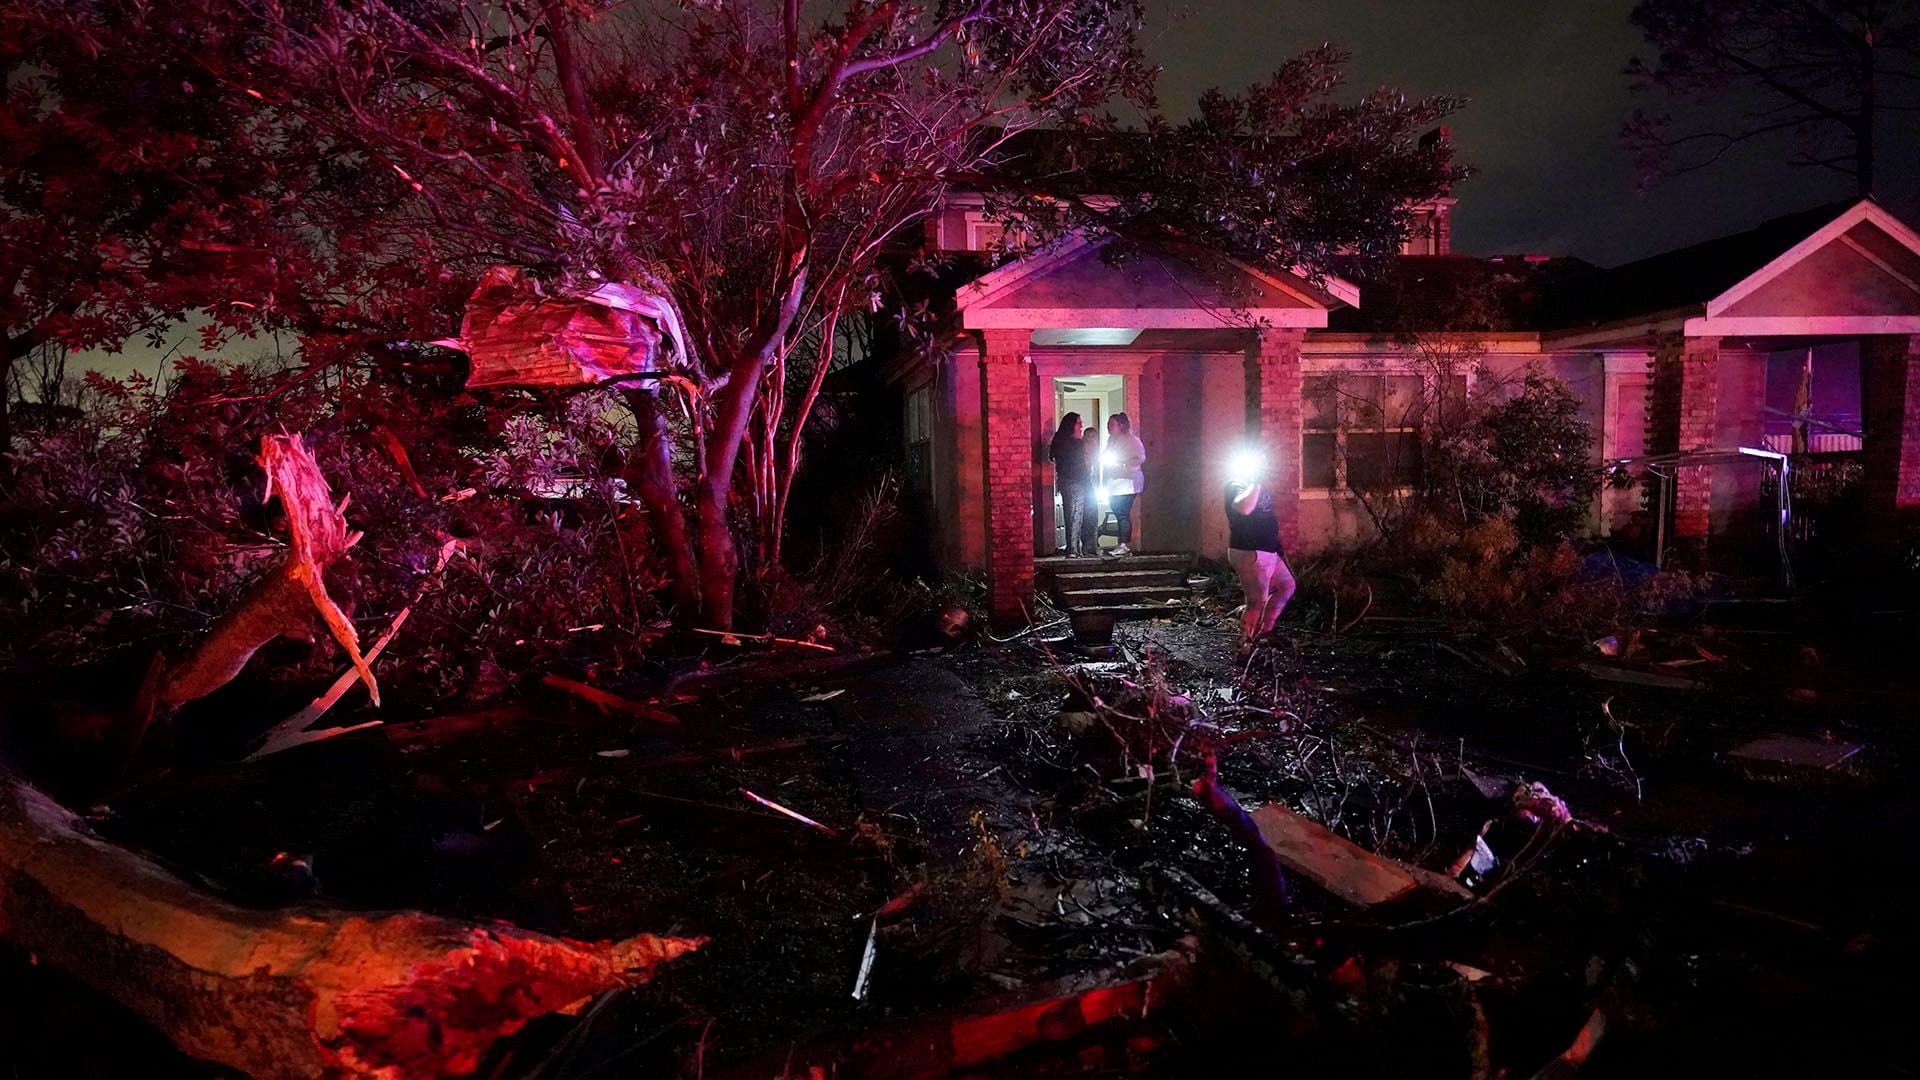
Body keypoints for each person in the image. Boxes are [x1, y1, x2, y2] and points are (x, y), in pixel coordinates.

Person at [1225, 475, 1296, 645]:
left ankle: (1265, 633)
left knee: (1287, 586)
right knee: (1256, 601)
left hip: (1268, 549)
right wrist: (1256, 481)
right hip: (1250, 550)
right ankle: (1245, 646)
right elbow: (1243, 508)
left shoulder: (1257, 486)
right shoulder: (1237, 484)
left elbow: (1266, 517)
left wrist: (1277, 547)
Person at [1049, 413, 1092, 557]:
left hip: (1065, 481)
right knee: (1075, 515)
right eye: (1079, 423)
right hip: (1077, 482)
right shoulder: (1076, 444)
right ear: (1072, 425)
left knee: (1070, 514)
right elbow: (1081, 466)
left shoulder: (1059, 441)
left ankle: (1073, 547)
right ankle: (1073, 549)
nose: (1081, 426)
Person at [1103, 413, 1145, 557]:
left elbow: (1139, 458)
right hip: (1113, 483)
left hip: (1127, 483)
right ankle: (1122, 543)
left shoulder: (1133, 441)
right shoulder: (1111, 441)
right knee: (1117, 510)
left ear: (1121, 425)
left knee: (1122, 513)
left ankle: (1124, 545)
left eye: (1112, 424)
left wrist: (1122, 463)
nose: (1109, 427)